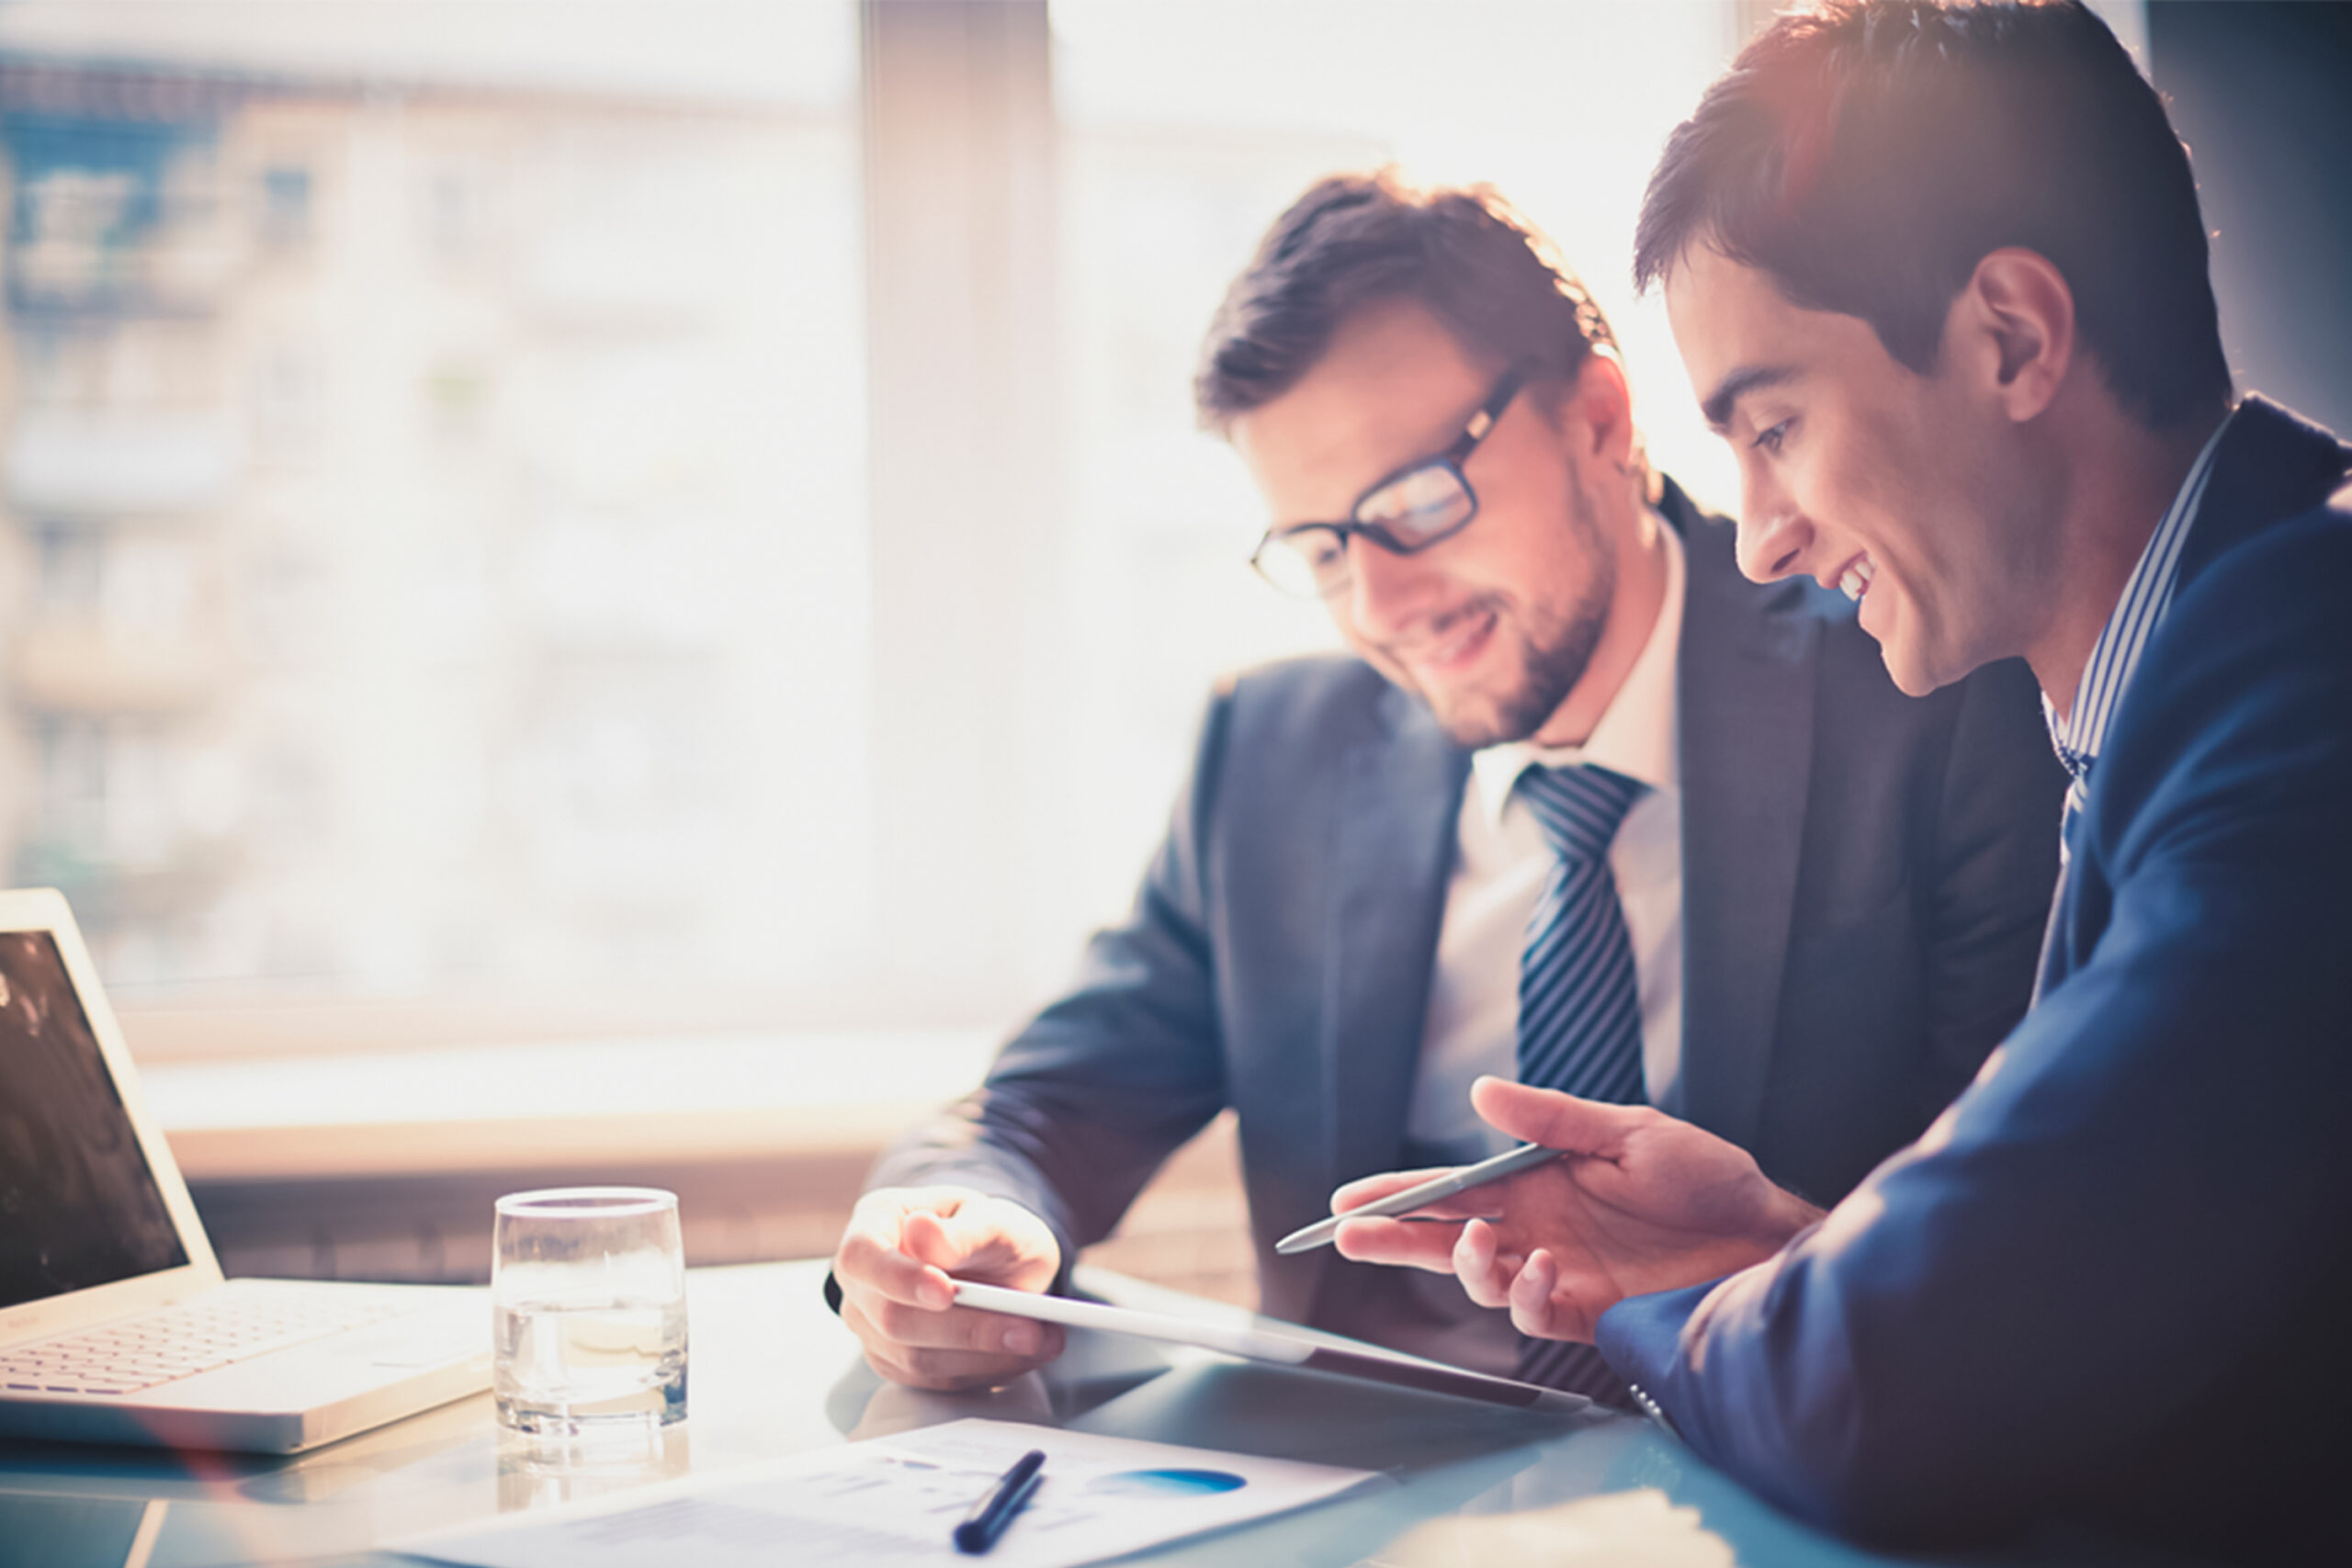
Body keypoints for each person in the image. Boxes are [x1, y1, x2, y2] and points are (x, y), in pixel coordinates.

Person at [1329, 2, 2352, 1557]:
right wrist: (1785, 1244)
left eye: (1779, 427)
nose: (1759, 538)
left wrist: (1706, 1299)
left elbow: (1883, 1391)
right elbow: (2101, 1316)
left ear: (2013, 336)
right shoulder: (2185, 677)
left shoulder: (2300, 688)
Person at [828, 170, 2064, 1409]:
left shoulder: (1922, 688)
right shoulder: (1271, 751)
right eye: (1320, 548)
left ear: (1598, 419)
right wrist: (953, 1221)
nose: (1380, 605)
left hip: (1762, 1468)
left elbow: (2013, 1244)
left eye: (1417, 502)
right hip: (1355, 1499)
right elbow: (1048, 1102)